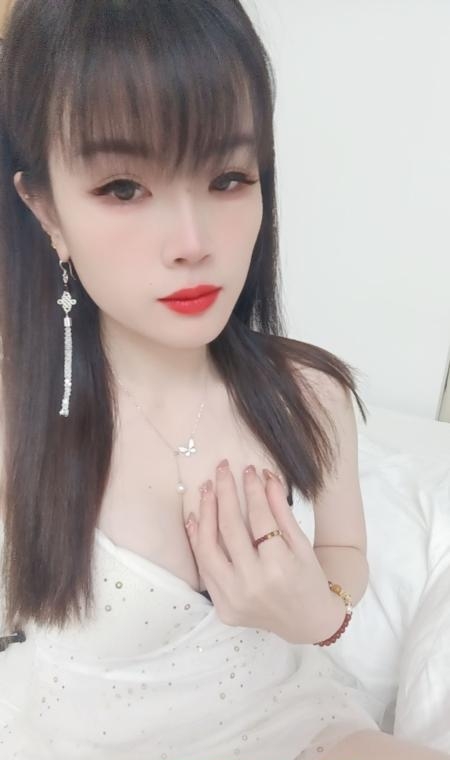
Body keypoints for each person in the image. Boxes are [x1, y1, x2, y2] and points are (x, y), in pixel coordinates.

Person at [0, 1, 447, 758]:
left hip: (292, 717)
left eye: (228, 177)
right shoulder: (19, 416)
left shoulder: (311, 394)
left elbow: (345, 554)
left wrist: (322, 614)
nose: (192, 242)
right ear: (45, 211)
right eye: (123, 188)